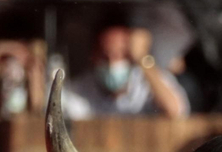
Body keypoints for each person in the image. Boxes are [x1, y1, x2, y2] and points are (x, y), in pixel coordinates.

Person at [61, 22, 189, 119]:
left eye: (120, 55)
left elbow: (175, 112)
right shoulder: (80, 88)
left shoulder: (146, 81)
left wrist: (142, 58)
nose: (112, 63)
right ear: (94, 56)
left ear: (130, 56)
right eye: (105, 56)